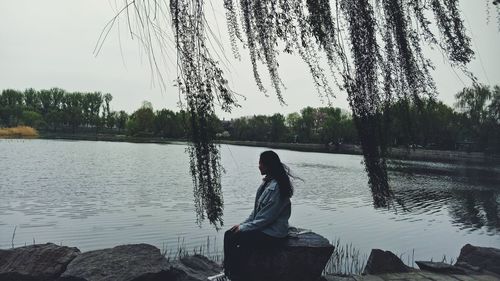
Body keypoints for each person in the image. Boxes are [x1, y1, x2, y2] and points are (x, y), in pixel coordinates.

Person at [222, 150, 297, 280]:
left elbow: (266, 218)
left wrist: (244, 229)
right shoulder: (267, 183)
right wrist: (242, 225)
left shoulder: (277, 188)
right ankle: (229, 271)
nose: (259, 166)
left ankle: (234, 273)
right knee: (230, 234)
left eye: (260, 163)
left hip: (274, 233)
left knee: (241, 239)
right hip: (265, 228)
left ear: (268, 165)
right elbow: (256, 212)